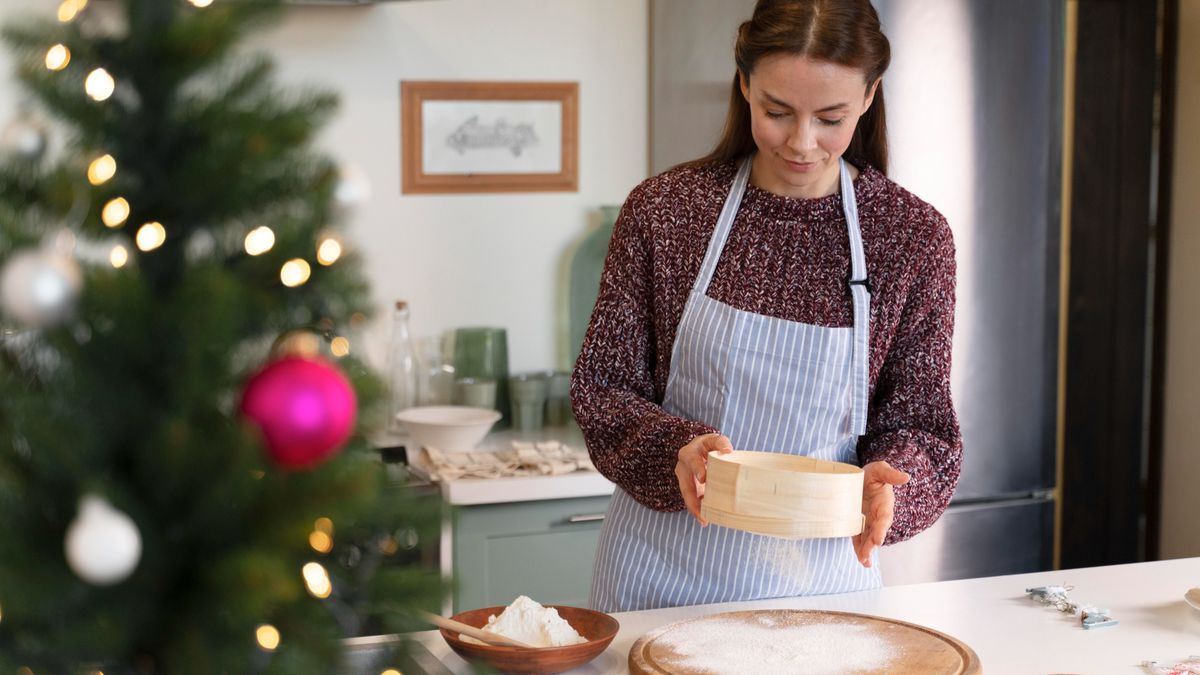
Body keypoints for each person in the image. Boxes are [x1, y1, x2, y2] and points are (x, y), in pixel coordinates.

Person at [571, 0, 962, 613]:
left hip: (822, 591)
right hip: (660, 581)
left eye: (830, 117)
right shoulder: (667, 211)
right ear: (744, 84)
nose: (802, 143)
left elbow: (924, 425)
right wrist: (675, 448)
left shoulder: (911, 237)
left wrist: (895, 482)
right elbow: (603, 388)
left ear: (868, 96)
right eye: (777, 112)